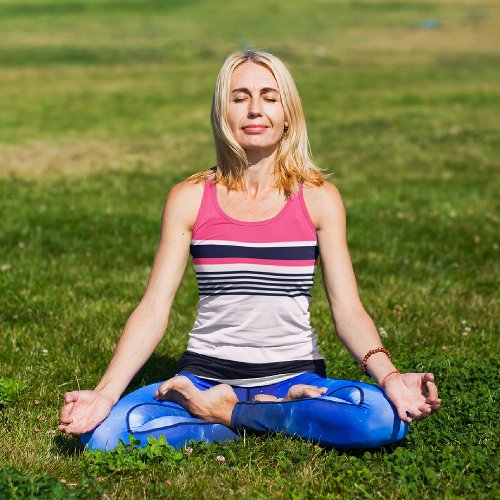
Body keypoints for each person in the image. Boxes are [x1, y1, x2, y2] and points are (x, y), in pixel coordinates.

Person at [58, 50, 441, 451]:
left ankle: (225, 416)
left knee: (382, 418)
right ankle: (269, 417)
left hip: (296, 379)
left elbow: (347, 311)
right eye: (240, 98)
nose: (255, 109)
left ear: (288, 113)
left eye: (269, 98)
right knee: (102, 436)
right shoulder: (189, 198)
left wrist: (390, 376)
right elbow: (154, 308)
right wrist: (104, 394)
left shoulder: (319, 199)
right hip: (203, 379)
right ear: (223, 113)